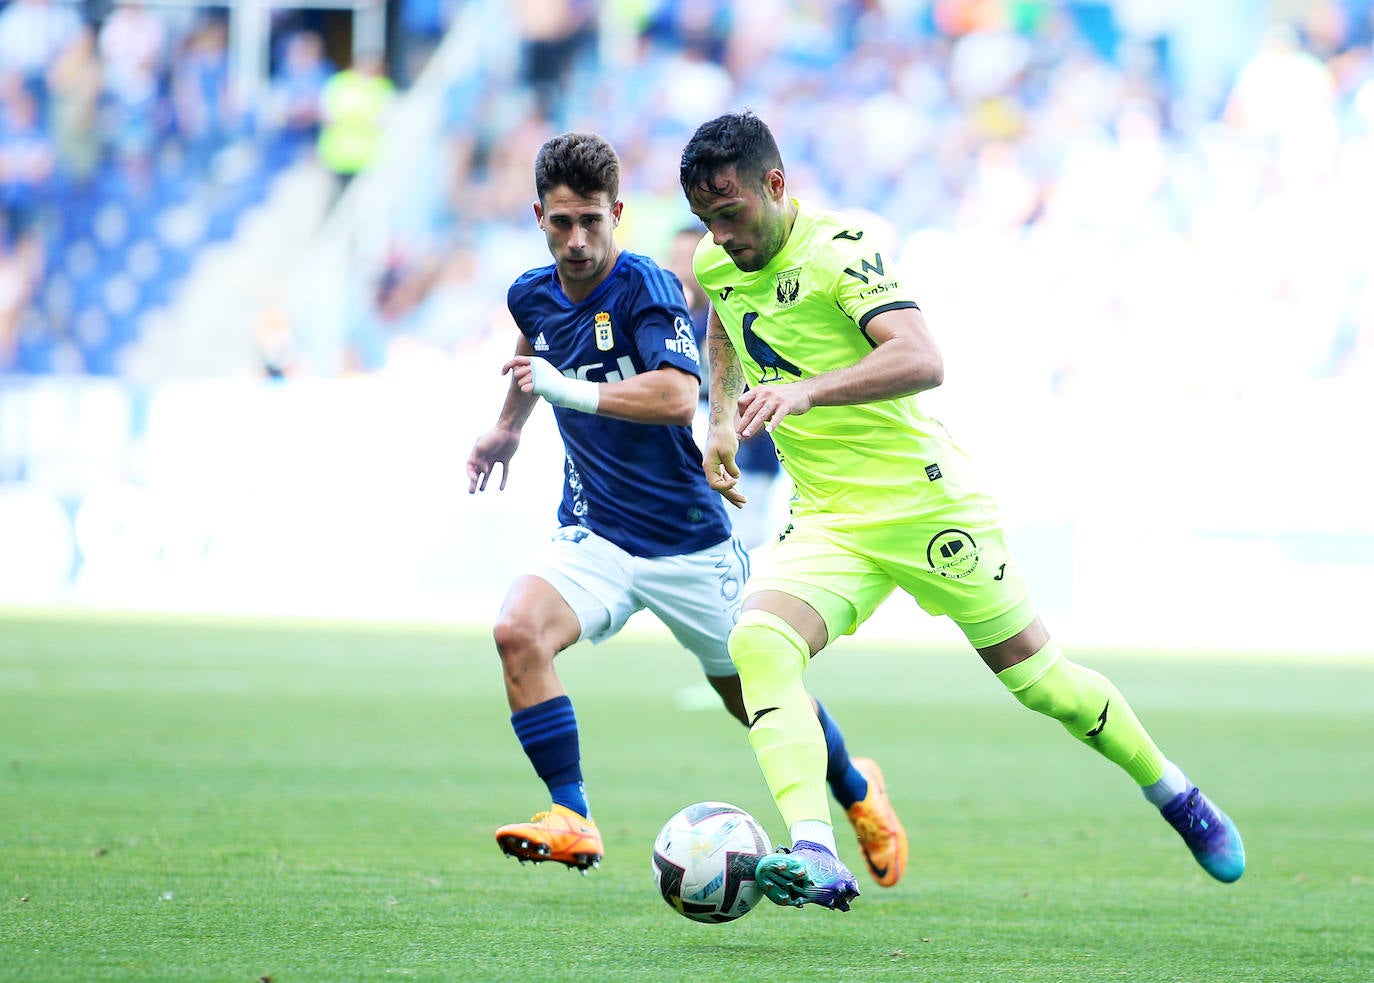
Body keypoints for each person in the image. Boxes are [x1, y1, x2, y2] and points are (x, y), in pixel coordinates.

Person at [677, 111, 1245, 912]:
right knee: (758, 639)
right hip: (833, 517)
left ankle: (1176, 792)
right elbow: (724, 324)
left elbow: (922, 357)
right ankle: (813, 845)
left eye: (731, 214)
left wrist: (804, 389)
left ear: (776, 184)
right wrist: (721, 418)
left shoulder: (840, 253)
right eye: (707, 220)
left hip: (925, 500)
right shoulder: (717, 257)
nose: (721, 237)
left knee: (1044, 684)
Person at [465, 131, 908, 884]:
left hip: (689, 543)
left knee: (754, 697)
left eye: (592, 223)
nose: (577, 241)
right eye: (561, 223)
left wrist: (564, 388)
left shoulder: (648, 288)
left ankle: (857, 787)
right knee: (516, 630)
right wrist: (507, 426)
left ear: (618, 214)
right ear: (539, 215)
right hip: (595, 533)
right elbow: (532, 343)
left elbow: (676, 398)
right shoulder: (530, 291)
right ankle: (572, 813)